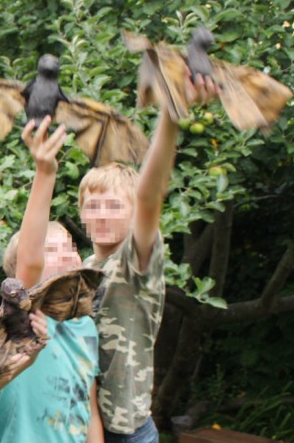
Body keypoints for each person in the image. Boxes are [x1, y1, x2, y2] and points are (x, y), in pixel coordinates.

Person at [76, 75, 218, 442]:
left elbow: (151, 193)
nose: (103, 215)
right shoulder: (82, 270)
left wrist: (170, 116)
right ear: (82, 214)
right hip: (77, 423)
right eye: (94, 206)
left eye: (114, 206)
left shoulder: (136, 261)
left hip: (128, 430)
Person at [0, 115, 103, 442]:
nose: (68, 255)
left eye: (70, 247)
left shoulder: (86, 326)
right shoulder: (25, 314)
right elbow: (30, 259)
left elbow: (90, 408)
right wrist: (45, 173)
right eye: (52, 250)